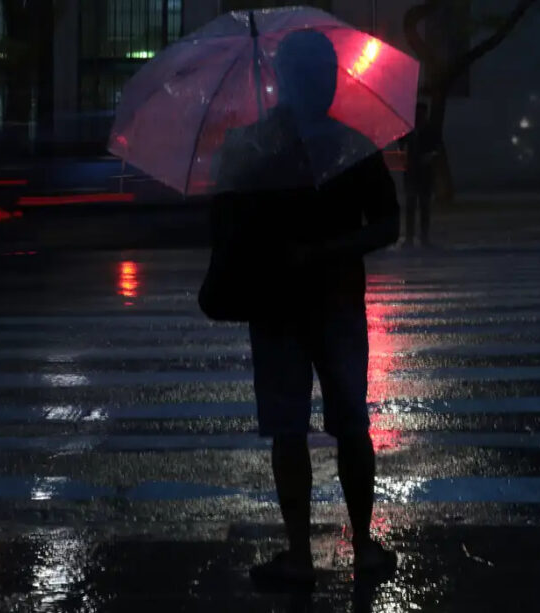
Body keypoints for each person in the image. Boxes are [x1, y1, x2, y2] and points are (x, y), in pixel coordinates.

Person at [201, 29, 400, 590]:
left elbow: (220, 225)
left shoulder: (265, 144)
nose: (324, 81)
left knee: (304, 429)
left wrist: (305, 247)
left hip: (289, 305)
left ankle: (306, 554)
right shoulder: (340, 145)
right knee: (338, 426)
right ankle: (358, 547)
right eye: (317, 72)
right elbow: (386, 224)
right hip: (316, 304)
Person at [401, 102, 440, 247]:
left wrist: (430, 156)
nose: (419, 117)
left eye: (421, 114)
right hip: (411, 172)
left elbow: (437, 148)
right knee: (411, 207)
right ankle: (409, 237)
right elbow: (401, 145)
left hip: (424, 174)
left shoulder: (430, 130)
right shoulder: (408, 131)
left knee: (424, 206)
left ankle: (424, 237)